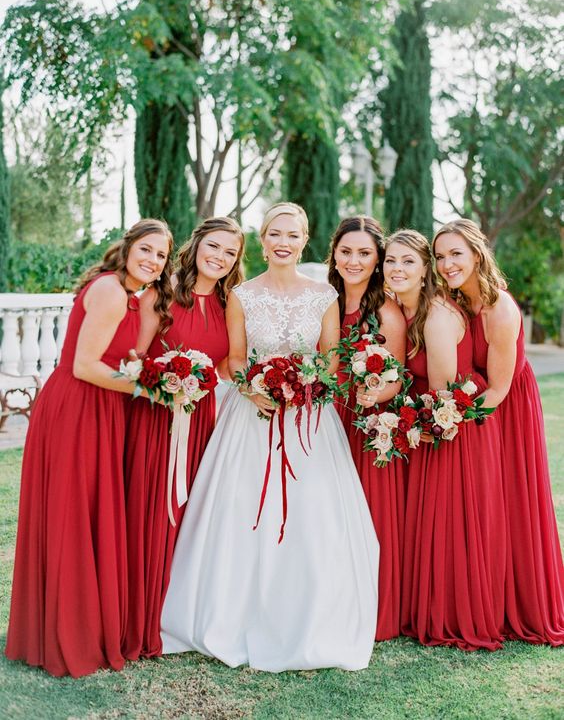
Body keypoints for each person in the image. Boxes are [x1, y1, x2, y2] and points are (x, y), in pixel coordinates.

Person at [160, 202, 379, 671]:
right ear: (263, 241)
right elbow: (236, 357)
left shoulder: (323, 296)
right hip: (250, 416)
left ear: (305, 241)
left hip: (309, 422)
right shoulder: (241, 294)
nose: (283, 242)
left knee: (314, 514)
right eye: (275, 234)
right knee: (239, 511)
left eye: (293, 235)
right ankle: (231, 613)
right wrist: (251, 386)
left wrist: (303, 386)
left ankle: (311, 618)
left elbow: (330, 358)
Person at [5, 220, 174, 677]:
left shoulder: (131, 296)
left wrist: (153, 369)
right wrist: (146, 390)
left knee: (81, 513)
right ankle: (66, 634)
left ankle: (65, 624)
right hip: (79, 407)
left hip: (100, 408)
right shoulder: (111, 291)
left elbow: (112, 354)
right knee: (72, 515)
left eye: (161, 255)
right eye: (146, 249)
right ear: (128, 248)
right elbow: (83, 366)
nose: (153, 260)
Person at [433, 218, 564, 645]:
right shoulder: (456, 301)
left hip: (503, 408)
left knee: (508, 499)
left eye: (456, 253)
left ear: (477, 253)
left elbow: (501, 388)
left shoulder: (499, 308)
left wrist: (451, 420)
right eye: (440, 256)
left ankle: (513, 601)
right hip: (478, 405)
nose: (447, 263)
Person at [123, 216, 245, 661]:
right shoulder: (163, 291)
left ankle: (177, 612)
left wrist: (266, 377)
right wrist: (167, 383)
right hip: (155, 419)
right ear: (196, 245)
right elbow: (134, 357)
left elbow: (232, 363)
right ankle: (139, 612)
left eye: (230, 252)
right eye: (214, 246)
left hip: (203, 424)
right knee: (151, 510)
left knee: (192, 517)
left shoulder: (232, 302)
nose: (220, 257)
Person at [384, 229, 506, 651]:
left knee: (451, 521)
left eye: (409, 262)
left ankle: (453, 612)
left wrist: (402, 425)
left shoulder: (436, 316)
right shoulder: (406, 309)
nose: (397, 269)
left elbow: (440, 393)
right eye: (391, 262)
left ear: (424, 272)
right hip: (438, 420)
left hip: (453, 426)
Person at [328, 215, 407, 641]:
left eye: (364, 253)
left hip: (364, 424)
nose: (353, 260)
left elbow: (396, 377)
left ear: (377, 260)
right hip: (324, 421)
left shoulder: (385, 311)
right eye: (346, 251)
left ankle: (373, 608)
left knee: (368, 517)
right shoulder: (324, 299)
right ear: (334, 254)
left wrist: (374, 396)